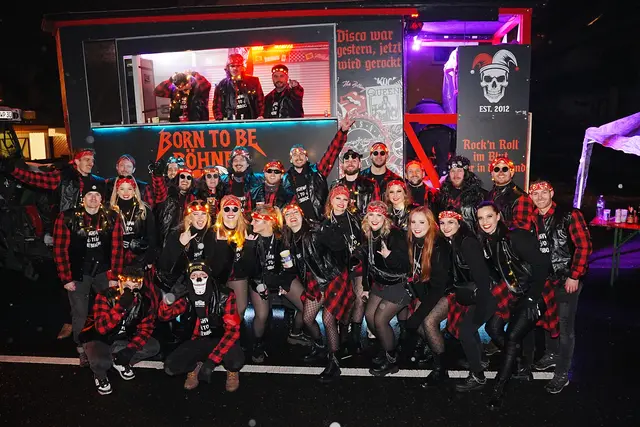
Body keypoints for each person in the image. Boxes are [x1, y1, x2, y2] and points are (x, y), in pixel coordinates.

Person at [475, 201, 554, 410]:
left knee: (511, 337)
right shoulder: (487, 241)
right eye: (480, 218)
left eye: (489, 216)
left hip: (535, 292)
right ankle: (516, 359)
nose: (485, 222)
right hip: (512, 292)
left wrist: (532, 298)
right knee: (492, 328)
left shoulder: (516, 236)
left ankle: (499, 387)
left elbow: (542, 265)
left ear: (498, 216)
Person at [529, 180, 592, 394]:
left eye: (544, 192)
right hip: (546, 279)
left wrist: (575, 275)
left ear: (552, 193)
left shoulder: (569, 215)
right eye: (535, 194)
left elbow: (584, 246)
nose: (540, 197)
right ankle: (551, 354)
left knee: (565, 328)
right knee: (549, 318)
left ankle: (562, 373)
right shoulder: (533, 218)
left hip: (567, 279)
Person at [53, 183, 124, 366]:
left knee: (111, 308)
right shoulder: (67, 217)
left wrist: (114, 277)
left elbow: (117, 249)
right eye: (89, 194)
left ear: (102, 199)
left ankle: (108, 343)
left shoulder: (112, 217)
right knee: (80, 313)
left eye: (97, 194)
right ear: (82, 198)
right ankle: (82, 348)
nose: (93, 198)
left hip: (103, 271)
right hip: (79, 272)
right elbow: (60, 250)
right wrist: (66, 278)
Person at [282, 202, 352, 382]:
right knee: (307, 318)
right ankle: (320, 346)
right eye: (288, 214)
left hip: (333, 276)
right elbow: (294, 267)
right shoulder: (290, 240)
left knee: (328, 319)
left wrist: (326, 230)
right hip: (315, 279)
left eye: (295, 213)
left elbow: (340, 246)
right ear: (284, 221)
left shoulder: (314, 232)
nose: (292, 216)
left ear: (302, 216)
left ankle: (334, 362)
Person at [160, 261, 244, 392]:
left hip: (220, 338)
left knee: (236, 361)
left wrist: (212, 361)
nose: (198, 279)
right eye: (194, 276)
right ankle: (195, 365)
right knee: (171, 367)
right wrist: (169, 299)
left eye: (202, 275)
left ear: (208, 276)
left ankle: (231, 370)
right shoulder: (187, 295)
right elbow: (164, 316)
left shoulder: (225, 295)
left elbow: (233, 330)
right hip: (196, 340)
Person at [80, 266, 160, 395]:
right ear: (119, 283)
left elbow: (146, 328)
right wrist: (120, 306)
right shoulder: (104, 296)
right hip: (99, 338)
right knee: (102, 363)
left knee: (153, 346)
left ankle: (118, 360)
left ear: (140, 286)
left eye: (135, 287)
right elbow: (101, 329)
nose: (131, 291)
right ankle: (100, 376)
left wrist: (131, 350)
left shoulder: (144, 302)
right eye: (127, 286)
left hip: (122, 338)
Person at [439, 208, 494, 393]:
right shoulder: (454, 241)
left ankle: (478, 376)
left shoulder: (467, 243)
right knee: (469, 332)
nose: (446, 227)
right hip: (472, 294)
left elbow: (482, 277)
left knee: (465, 333)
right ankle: (480, 360)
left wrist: (482, 307)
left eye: (451, 222)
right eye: (442, 223)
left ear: (459, 223)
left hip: (485, 295)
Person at [247, 204, 306, 363]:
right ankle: (257, 344)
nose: (251, 223)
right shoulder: (251, 237)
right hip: (259, 280)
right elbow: (249, 270)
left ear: (268, 221)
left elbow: (289, 266)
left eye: (256, 220)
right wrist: (259, 285)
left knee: (306, 306)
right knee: (262, 315)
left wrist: (284, 284)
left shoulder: (282, 237)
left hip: (280, 277)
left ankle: (295, 333)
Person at [360, 200, 410, 376]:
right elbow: (367, 263)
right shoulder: (369, 233)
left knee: (380, 320)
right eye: (371, 215)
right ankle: (386, 345)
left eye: (379, 215)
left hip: (398, 283)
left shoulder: (395, 235)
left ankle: (391, 360)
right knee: (369, 316)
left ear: (385, 218)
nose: (374, 219)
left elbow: (407, 265)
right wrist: (366, 286)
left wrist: (389, 256)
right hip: (380, 282)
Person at [403, 207, 452, 387]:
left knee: (428, 321)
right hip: (428, 292)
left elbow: (439, 288)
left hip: (448, 292)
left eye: (422, 222)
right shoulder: (413, 241)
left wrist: (419, 313)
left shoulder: (439, 245)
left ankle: (441, 369)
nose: (416, 226)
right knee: (416, 323)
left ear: (430, 224)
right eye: (413, 222)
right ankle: (436, 347)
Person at [283, 116, 354, 223]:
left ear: (306, 158)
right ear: (291, 160)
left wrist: (342, 132)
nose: (298, 157)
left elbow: (332, 152)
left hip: (321, 222)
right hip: (300, 226)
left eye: (302, 154)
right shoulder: (286, 179)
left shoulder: (317, 172)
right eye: (295, 155)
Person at [435, 155, 487, 233]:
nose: (456, 175)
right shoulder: (441, 196)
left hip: (472, 237)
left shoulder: (480, 195)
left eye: (459, 171)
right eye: (453, 171)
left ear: (465, 173)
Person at [213, 53, 264, 120]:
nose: (235, 68)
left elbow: (261, 102)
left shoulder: (253, 82)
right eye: (232, 66)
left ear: (242, 67)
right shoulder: (221, 85)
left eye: (238, 66)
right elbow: (216, 107)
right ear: (228, 68)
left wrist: (261, 116)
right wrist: (221, 120)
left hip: (251, 122)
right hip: (230, 123)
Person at [330, 148, 379, 218]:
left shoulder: (371, 185)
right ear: (343, 165)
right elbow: (330, 210)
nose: (350, 164)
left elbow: (377, 210)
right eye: (347, 161)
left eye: (354, 161)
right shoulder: (335, 186)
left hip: (363, 224)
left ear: (359, 164)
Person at [486, 156, 526, 227]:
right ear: (492, 174)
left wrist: (495, 226)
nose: (501, 172)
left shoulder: (520, 196)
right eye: (497, 169)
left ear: (512, 173)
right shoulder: (488, 195)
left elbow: (521, 226)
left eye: (505, 169)